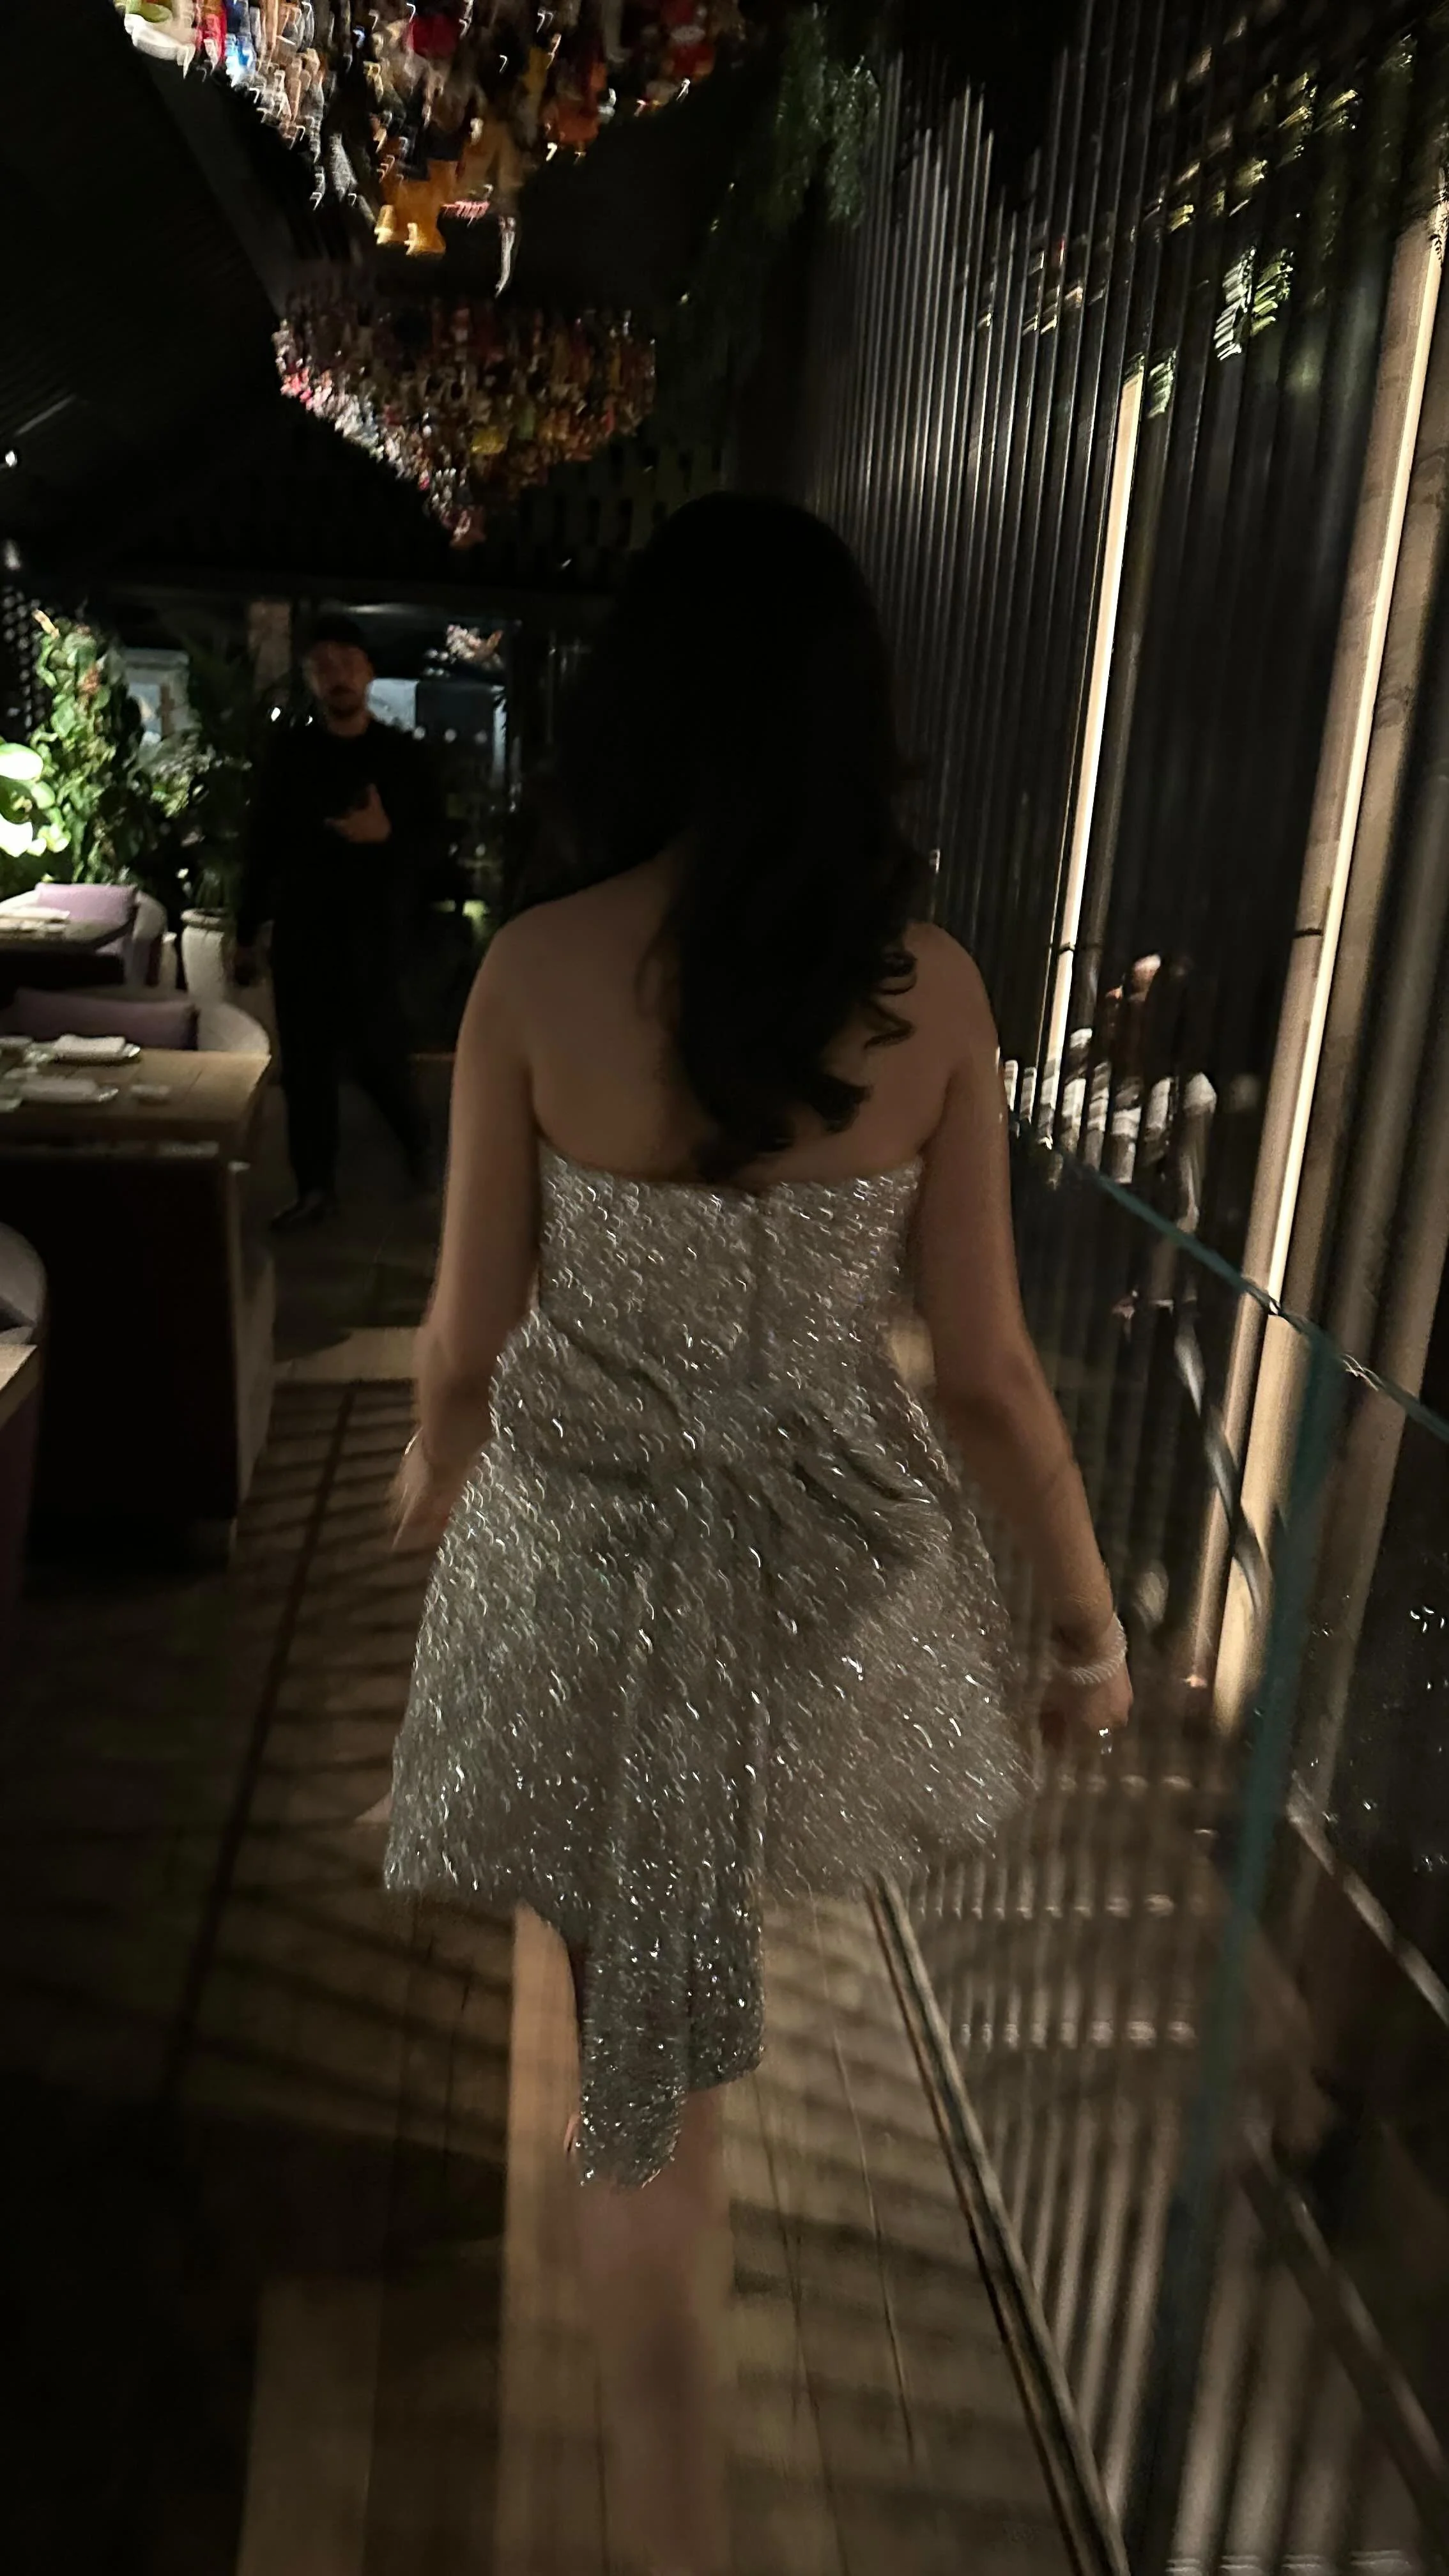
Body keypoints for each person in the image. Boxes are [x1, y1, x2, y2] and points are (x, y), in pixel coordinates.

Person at [381, 497, 1131, 2574]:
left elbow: (463, 1336)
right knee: (672, 2016)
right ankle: (673, 2462)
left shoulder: (534, 974)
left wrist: (432, 1469)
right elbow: (985, 1374)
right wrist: (1080, 1625)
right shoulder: (933, 999)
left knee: (633, 2050)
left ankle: (662, 2489)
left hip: (577, 1566)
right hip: (808, 1589)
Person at [235, 615, 444, 1230]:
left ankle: (421, 1151)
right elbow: (263, 845)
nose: (337, 676)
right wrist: (246, 931)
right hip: (303, 933)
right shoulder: (292, 755)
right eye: (323, 665)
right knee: (306, 1070)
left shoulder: (402, 757)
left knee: (380, 1057)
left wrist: (387, 836)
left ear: (370, 672)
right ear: (310, 678)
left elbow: (435, 849)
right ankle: (314, 1189)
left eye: (348, 662)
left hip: (374, 935)